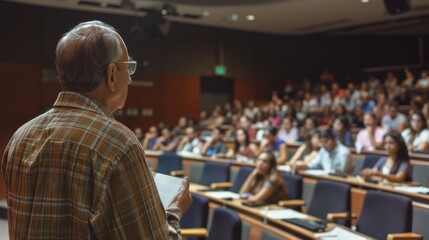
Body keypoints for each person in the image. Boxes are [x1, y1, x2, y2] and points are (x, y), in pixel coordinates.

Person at [1, 21, 192, 239]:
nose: (129, 78)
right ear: (111, 74)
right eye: (127, 67)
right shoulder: (119, 144)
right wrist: (174, 211)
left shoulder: (19, 138)